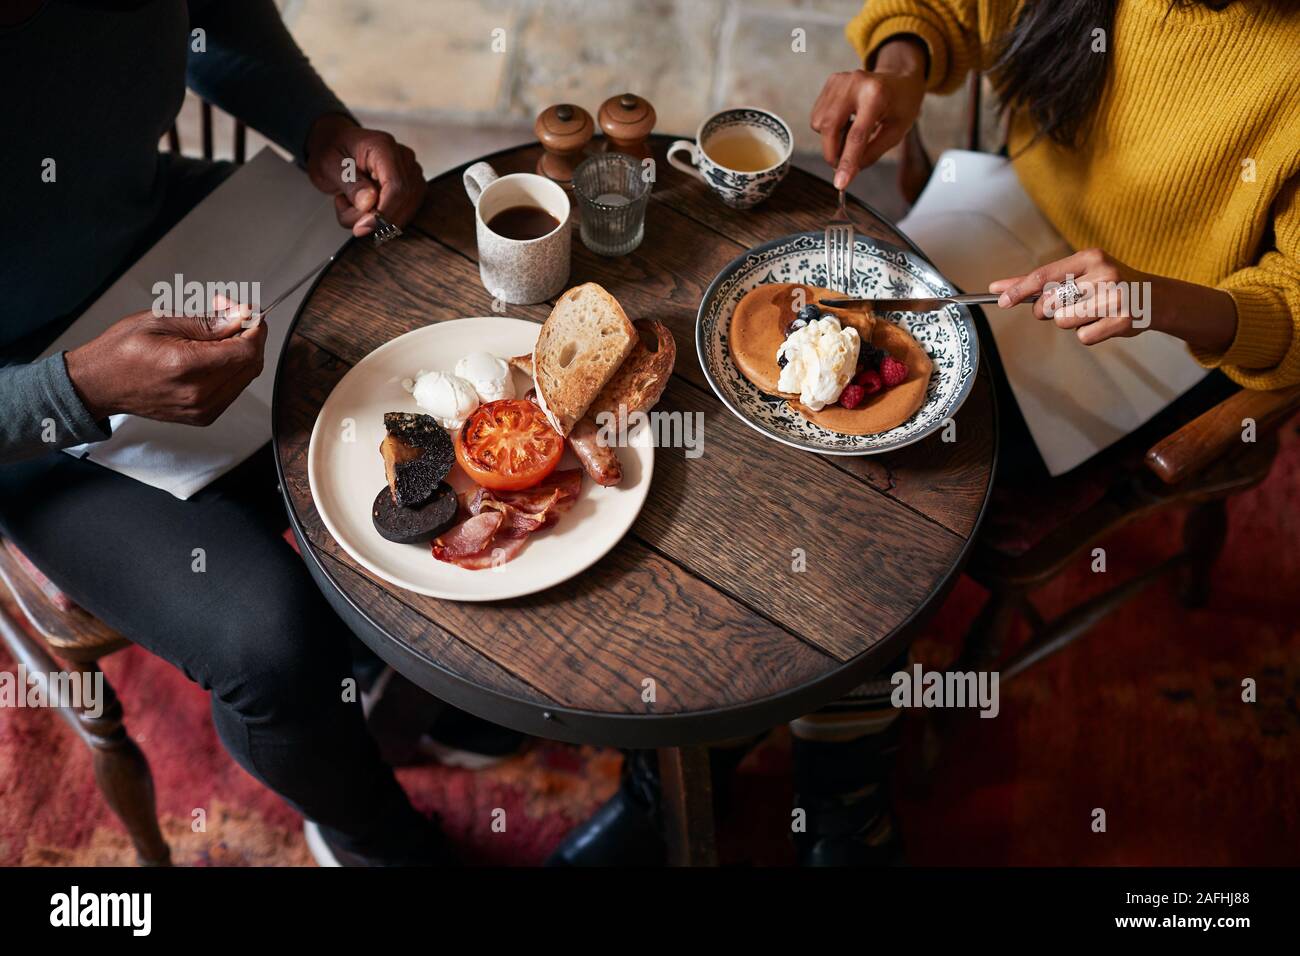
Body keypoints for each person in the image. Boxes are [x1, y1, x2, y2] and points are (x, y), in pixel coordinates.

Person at [549, 0, 1298, 866]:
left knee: (867, 520)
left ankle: (836, 791)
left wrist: (1158, 299)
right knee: (754, 454)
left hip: (1163, 325)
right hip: (1002, 215)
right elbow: (953, 10)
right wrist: (901, 68)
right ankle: (694, 758)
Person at [0, 0, 506, 866]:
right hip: (30, 404)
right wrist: (76, 387)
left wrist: (322, 130)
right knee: (271, 646)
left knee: (454, 388)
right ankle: (370, 837)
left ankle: (401, 666)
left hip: (166, 227)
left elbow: (219, 18)